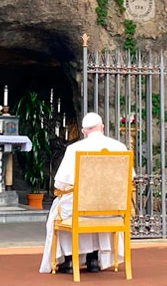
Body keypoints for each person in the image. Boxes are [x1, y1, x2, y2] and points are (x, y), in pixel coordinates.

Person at [39, 112, 128, 274]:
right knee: (89, 208)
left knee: (60, 210)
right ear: (102, 128)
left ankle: (70, 260)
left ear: (84, 132)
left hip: (82, 206)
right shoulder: (120, 147)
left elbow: (60, 183)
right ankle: (93, 259)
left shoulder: (75, 149)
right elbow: (129, 178)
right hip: (112, 208)